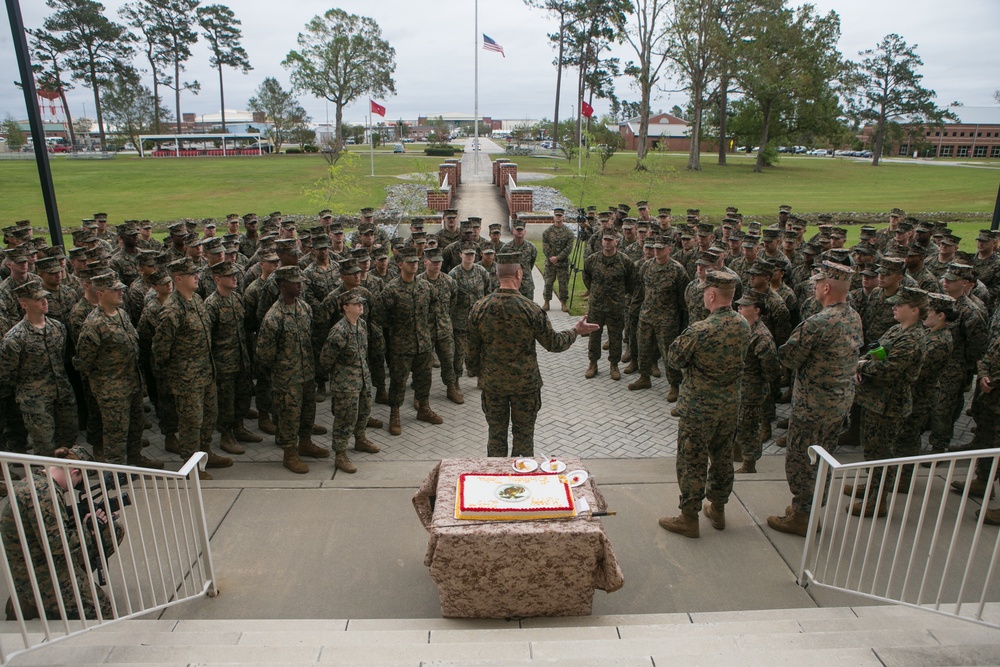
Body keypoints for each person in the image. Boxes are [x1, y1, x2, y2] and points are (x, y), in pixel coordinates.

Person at [767, 261, 864, 537]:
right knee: (823, 459)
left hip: (812, 407)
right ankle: (809, 509)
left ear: (825, 287)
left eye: (817, 283)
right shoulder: (852, 317)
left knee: (801, 459)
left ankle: (802, 516)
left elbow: (789, 356)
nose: (814, 287)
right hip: (838, 406)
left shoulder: (818, 322)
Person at [466, 253, 597, 457]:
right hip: (525, 386)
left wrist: (477, 373)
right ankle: (524, 478)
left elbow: (471, 349)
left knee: (496, 436)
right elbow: (554, 344)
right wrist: (576, 331)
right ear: (519, 273)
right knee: (524, 438)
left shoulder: (479, 308)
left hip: (493, 385)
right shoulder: (531, 309)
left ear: (496, 275)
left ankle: (495, 478)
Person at [659, 271, 749, 539]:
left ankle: (688, 517)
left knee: (691, 460)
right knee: (722, 457)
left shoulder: (701, 330)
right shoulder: (743, 325)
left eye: (704, 292)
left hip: (699, 408)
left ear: (711, 295)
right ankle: (718, 509)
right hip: (729, 406)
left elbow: (674, 358)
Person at [1, 447, 121, 621]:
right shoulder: (44, 494)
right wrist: (89, 529)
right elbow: (57, 545)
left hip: (41, 559)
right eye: (78, 482)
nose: (74, 488)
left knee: (112, 532)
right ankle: (33, 601)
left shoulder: (40, 481)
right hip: (39, 570)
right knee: (102, 611)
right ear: (73, 472)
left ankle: (62, 593)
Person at [845, 286, 928, 517]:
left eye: (899, 305)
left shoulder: (912, 339)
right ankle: (871, 488)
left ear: (914, 310)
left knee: (882, 455)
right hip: (875, 401)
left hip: (889, 406)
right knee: (872, 451)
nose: (894, 307)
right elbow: (874, 352)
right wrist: (862, 364)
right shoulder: (896, 330)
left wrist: (860, 367)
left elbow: (889, 369)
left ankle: (877, 501)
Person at [151, 258, 232, 480]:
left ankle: (205, 455)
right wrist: (177, 373)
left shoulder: (196, 300)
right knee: (190, 423)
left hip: (206, 373)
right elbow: (160, 349)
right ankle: (190, 466)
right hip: (186, 379)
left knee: (208, 418)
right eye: (191, 275)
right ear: (178, 279)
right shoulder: (172, 310)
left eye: (196, 273)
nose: (197, 277)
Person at [73, 273, 162, 469]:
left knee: (135, 426)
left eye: (120, 289)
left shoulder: (121, 314)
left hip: (132, 383)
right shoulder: (93, 324)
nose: (120, 292)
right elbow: (84, 362)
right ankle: (117, 469)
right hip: (111, 390)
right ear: (101, 294)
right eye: (115, 290)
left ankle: (135, 458)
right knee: (116, 432)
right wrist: (104, 382)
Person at [256, 265, 330, 474]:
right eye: (294, 282)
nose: (299, 285)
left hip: (306, 373)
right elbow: (264, 355)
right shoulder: (274, 317)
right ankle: (290, 453)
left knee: (308, 411)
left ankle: (305, 443)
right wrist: (281, 372)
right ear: (282, 285)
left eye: (300, 281)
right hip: (286, 378)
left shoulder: (304, 308)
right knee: (289, 416)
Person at [0, 279, 77, 457]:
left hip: (63, 394)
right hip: (35, 401)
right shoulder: (15, 338)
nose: (45, 302)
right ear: (24, 304)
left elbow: (62, 358)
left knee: (68, 441)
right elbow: (7, 373)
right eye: (38, 299)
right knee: (45, 447)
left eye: (45, 298)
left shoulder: (57, 328)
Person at [373, 247, 445, 436]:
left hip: (423, 343)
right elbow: (378, 315)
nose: (414, 264)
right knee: (398, 381)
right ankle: (395, 414)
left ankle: (424, 408)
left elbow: (434, 307)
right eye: (409, 262)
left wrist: (424, 328)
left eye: (416, 262)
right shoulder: (392, 289)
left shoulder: (425, 287)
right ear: (400, 265)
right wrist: (396, 326)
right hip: (401, 345)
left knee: (424, 378)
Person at [320, 288, 381, 474]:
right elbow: (325, 359)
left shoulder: (361, 325)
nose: (361, 305)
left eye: (361, 302)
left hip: (362, 379)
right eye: (356, 303)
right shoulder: (339, 331)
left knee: (363, 412)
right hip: (345, 385)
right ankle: (340, 454)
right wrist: (339, 376)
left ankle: (360, 439)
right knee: (345, 419)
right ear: (346, 308)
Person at [732, 293, 781, 474]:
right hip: (740, 387)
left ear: (757, 310)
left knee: (748, 428)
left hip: (752, 391)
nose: (739, 308)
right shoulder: (744, 328)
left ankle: (749, 463)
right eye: (739, 306)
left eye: (744, 306)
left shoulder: (762, 336)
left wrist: (758, 384)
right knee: (738, 423)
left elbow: (772, 370)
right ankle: (737, 453)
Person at [583, 229, 638, 381]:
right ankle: (593, 363)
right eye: (604, 240)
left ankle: (614, 365)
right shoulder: (592, 260)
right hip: (596, 306)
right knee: (594, 336)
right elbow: (587, 278)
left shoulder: (624, 261)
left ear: (616, 242)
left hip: (616, 307)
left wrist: (618, 295)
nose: (607, 242)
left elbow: (631, 282)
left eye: (610, 240)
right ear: (601, 241)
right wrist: (595, 292)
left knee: (615, 336)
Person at [541, 208, 575, 312]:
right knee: (548, 283)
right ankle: (546, 302)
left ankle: (563, 303)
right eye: (557, 215)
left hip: (563, 263)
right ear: (554, 217)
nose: (558, 217)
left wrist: (558, 258)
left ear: (563, 217)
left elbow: (568, 248)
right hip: (550, 263)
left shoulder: (568, 233)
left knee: (563, 284)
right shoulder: (547, 232)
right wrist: (552, 257)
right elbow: (545, 246)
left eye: (560, 215)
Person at [499, 220, 537, 300]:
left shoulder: (531, 247)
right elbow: (502, 265)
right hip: (511, 285)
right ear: (513, 231)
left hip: (526, 284)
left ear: (525, 231)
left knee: (529, 309)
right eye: (517, 230)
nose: (519, 232)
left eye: (521, 230)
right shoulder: (505, 248)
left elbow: (531, 263)